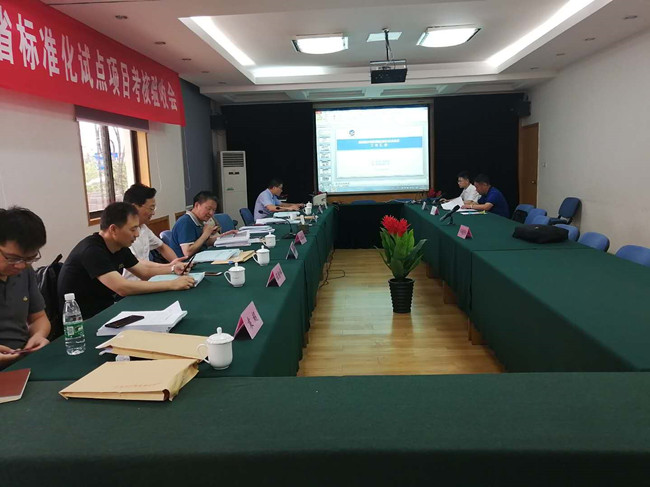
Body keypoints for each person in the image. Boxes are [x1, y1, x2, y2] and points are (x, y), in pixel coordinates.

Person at [58, 203, 195, 319]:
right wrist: (172, 284)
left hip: (106, 309)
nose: (137, 234)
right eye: (133, 229)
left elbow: (144, 272)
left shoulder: (119, 247)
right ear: (113, 229)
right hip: (83, 320)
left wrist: (172, 269)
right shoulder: (92, 250)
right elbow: (123, 288)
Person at [0, 207, 51, 369]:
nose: (21, 265)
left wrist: (38, 335)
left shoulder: (25, 272)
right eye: (13, 258)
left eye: (30, 258)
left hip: (22, 360)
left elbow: (39, 318)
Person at [122, 183, 187, 280]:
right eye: (151, 208)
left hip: (149, 279)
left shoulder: (143, 228)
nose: (153, 213)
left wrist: (178, 263)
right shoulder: (122, 233)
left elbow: (162, 247)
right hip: (133, 284)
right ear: (134, 207)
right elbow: (135, 262)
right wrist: (170, 267)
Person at [170, 191, 238, 258]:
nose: (211, 213)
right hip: (187, 263)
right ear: (197, 205)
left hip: (200, 257)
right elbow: (187, 252)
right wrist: (205, 234)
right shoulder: (185, 222)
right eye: (208, 209)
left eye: (214, 210)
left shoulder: (200, 220)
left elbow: (205, 243)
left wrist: (224, 237)